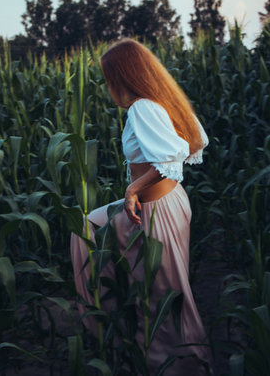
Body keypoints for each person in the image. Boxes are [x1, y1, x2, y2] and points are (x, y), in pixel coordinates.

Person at [70, 38, 212, 375]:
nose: (108, 88)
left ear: (123, 76)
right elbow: (196, 142)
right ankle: (111, 324)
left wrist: (134, 187)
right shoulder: (160, 102)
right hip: (168, 202)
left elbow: (171, 158)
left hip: (157, 212)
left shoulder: (142, 107)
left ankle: (182, 367)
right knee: (88, 226)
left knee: (167, 300)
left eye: (109, 79)